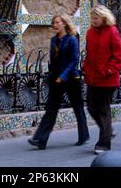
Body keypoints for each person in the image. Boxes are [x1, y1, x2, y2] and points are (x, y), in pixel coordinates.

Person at [28, 14, 89, 150]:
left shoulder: (72, 40)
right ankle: (40, 139)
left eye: (58, 22)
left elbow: (74, 61)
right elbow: (53, 61)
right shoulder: (54, 40)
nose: (55, 25)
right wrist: (53, 77)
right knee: (51, 109)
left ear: (64, 24)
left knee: (78, 108)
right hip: (56, 79)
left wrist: (63, 76)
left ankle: (84, 136)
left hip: (71, 79)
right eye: (53, 22)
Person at [82, 4, 121, 155]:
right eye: (92, 18)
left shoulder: (112, 31)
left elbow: (119, 56)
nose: (93, 20)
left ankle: (104, 144)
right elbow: (88, 54)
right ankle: (108, 129)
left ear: (103, 17)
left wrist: (109, 70)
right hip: (93, 78)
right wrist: (85, 68)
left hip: (108, 79)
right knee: (91, 107)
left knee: (103, 110)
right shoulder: (90, 33)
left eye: (96, 18)